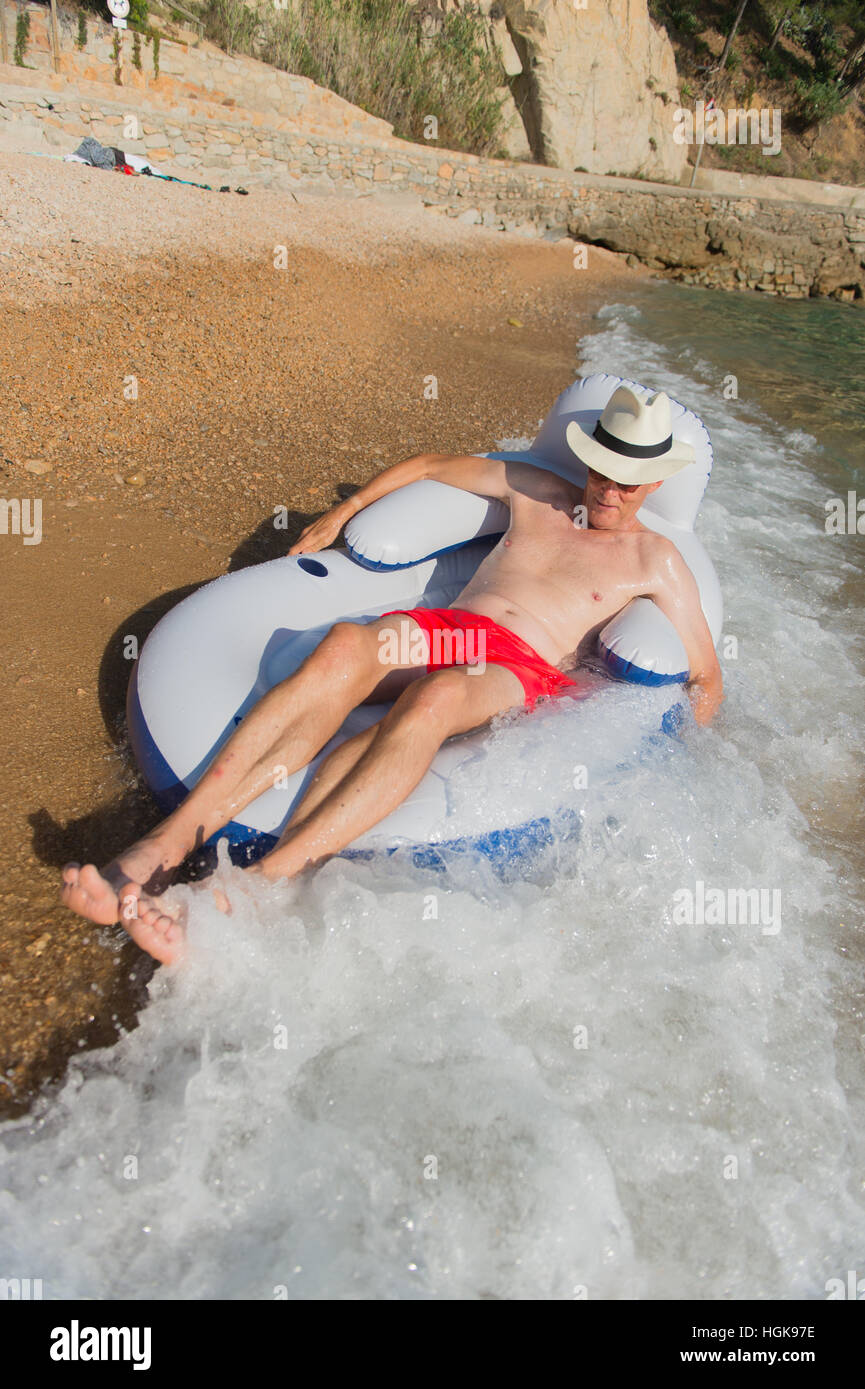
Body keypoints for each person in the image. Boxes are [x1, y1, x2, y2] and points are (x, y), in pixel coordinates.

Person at [60, 385, 723, 963]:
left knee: (436, 695)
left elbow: (705, 674)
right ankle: (164, 844)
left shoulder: (652, 558)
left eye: (625, 484)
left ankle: (253, 888)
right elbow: (432, 465)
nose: (607, 492)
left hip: (517, 667)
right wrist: (341, 514)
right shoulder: (538, 491)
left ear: (655, 483)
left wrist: (679, 757)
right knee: (348, 645)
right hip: (456, 630)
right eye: (600, 472)